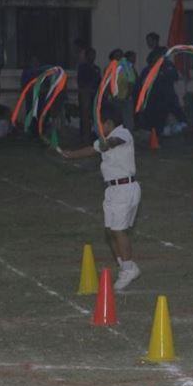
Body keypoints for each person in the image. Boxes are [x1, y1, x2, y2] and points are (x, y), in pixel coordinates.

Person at [58, 102, 142, 291]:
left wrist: (104, 143)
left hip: (125, 188)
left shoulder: (123, 133)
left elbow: (109, 144)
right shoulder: (106, 138)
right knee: (110, 231)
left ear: (109, 122)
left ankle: (128, 269)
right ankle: (126, 266)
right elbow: (91, 149)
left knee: (119, 230)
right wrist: (70, 155)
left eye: (99, 124)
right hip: (112, 190)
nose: (97, 128)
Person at [76, 47, 101, 143]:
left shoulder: (96, 68)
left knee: (94, 116)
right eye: (91, 54)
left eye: (94, 54)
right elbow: (80, 82)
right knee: (85, 116)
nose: (93, 56)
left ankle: (93, 135)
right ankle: (85, 137)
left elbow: (99, 81)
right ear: (86, 56)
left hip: (95, 95)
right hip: (85, 95)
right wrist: (87, 89)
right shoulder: (82, 67)